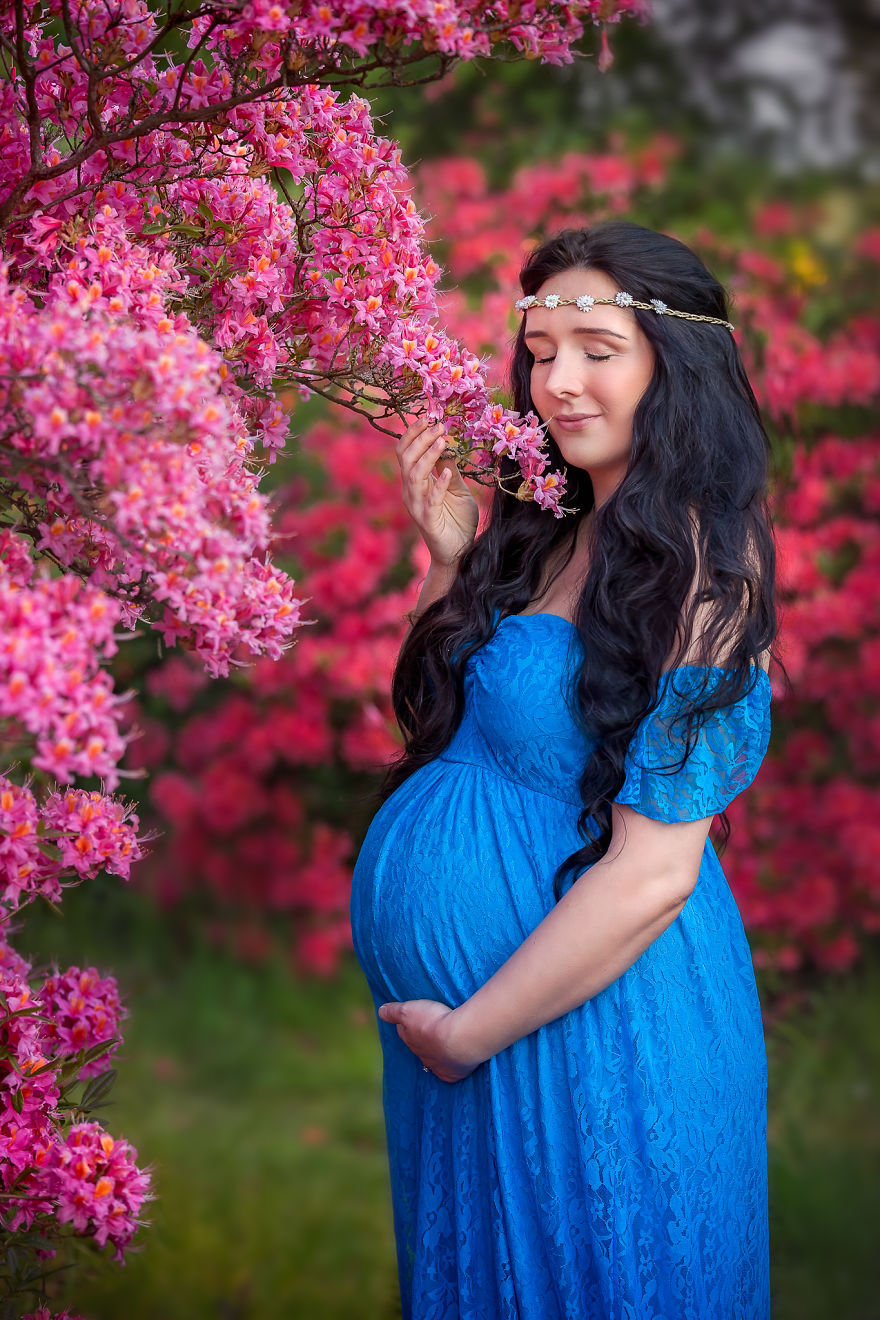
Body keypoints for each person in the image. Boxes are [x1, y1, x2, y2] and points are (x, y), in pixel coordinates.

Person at [350, 220, 778, 1320]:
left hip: (593, 1038)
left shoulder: (705, 574)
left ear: (672, 368)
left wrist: (467, 1033)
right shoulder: (549, 533)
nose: (556, 383)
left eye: (597, 347)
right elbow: (480, 734)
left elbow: (653, 875)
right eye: (540, 352)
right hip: (478, 1039)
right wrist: (451, 560)